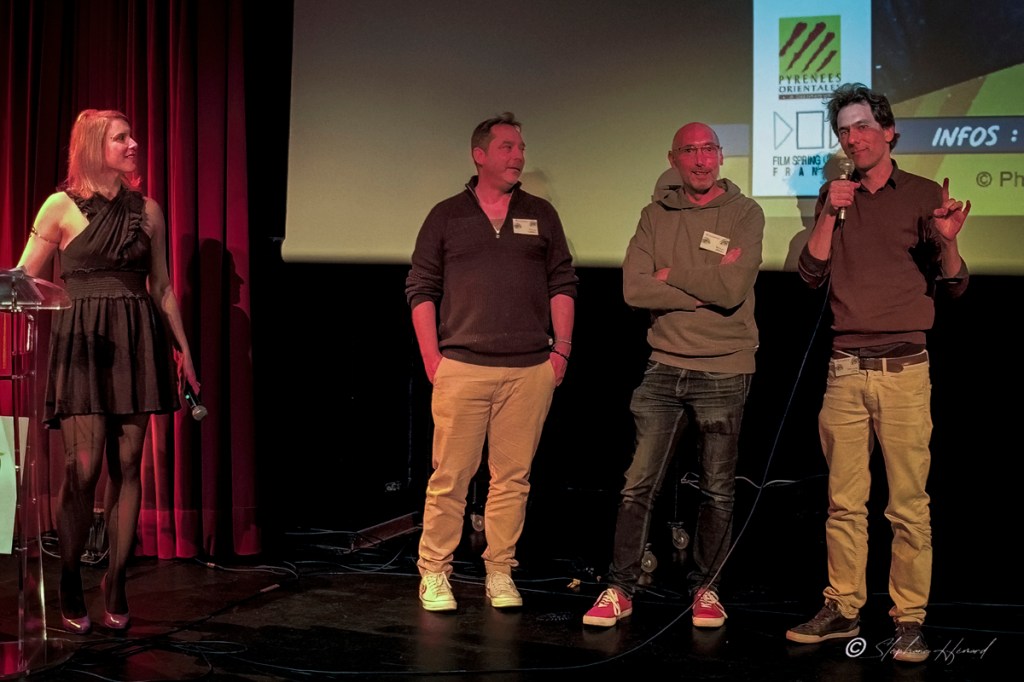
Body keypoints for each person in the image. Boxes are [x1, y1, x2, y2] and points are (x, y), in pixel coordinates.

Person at [785, 83, 970, 663]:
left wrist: (948, 243)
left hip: (904, 371)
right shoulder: (834, 196)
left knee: (908, 506)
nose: (853, 138)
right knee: (843, 502)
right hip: (844, 370)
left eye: (863, 126)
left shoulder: (921, 194)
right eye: (844, 131)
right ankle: (842, 607)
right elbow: (810, 274)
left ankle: (909, 619)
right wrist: (829, 212)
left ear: (889, 131)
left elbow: (955, 284)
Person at [14, 109, 198, 633]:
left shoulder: (149, 211)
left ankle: (115, 580)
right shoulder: (60, 206)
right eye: (122, 137)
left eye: (132, 136)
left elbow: (162, 287)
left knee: (128, 463)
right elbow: (23, 278)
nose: (133, 144)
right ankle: (70, 575)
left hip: (137, 341)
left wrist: (184, 350)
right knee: (84, 466)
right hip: (83, 343)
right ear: (95, 146)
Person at [583, 122, 764, 629]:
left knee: (718, 489)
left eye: (709, 149)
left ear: (721, 156)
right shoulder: (654, 215)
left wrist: (671, 275)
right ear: (674, 158)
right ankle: (619, 588)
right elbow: (634, 289)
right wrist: (706, 284)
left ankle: (708, 588)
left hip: (725, 367)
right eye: (690, 150)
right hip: (663, 364)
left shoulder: (745, 213)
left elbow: (733, 290)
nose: (701, 160)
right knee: (637, 484)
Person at [405, 112, 577, 612]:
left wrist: (561, 350)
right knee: (450, 479)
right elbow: (421, 288)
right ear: (479, 155)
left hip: (529, 369)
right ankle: (435, 571)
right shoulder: (446, 215)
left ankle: (500, 571)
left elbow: (562, 282)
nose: (518, 155)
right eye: (507, 147)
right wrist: (433, 357)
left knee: (512, 479)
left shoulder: (540, 213)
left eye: (521, 147)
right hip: (463, 367)